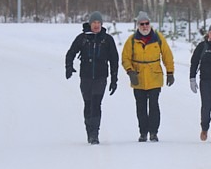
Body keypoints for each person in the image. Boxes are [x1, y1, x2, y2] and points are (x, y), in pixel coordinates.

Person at [65, 11, 119, 145]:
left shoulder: (107, 40)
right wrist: (69, 67)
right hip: (86, 77)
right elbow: (71, 52)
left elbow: (114, 60)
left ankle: (95, 134)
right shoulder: (83, 38)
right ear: (90, 24)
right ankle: (89, 131)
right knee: (88, 105)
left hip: (101, 78)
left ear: (101, 24)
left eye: (98, 23)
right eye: (94, 23)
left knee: (96, 104)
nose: (96, 25)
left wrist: (114, 79)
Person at [121, 11, 175, 142]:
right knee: (141, 107)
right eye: (142, 24)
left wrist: (170, 72)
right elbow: (125, 58)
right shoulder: (132, 40)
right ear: (138, 25)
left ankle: (154, 132)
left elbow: (167, 55)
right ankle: (143, 132)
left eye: (147, 23)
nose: (145, 26)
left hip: (154, 77)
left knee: (154, 105)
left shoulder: (158, 38)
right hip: (138, 78)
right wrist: (130, 71)